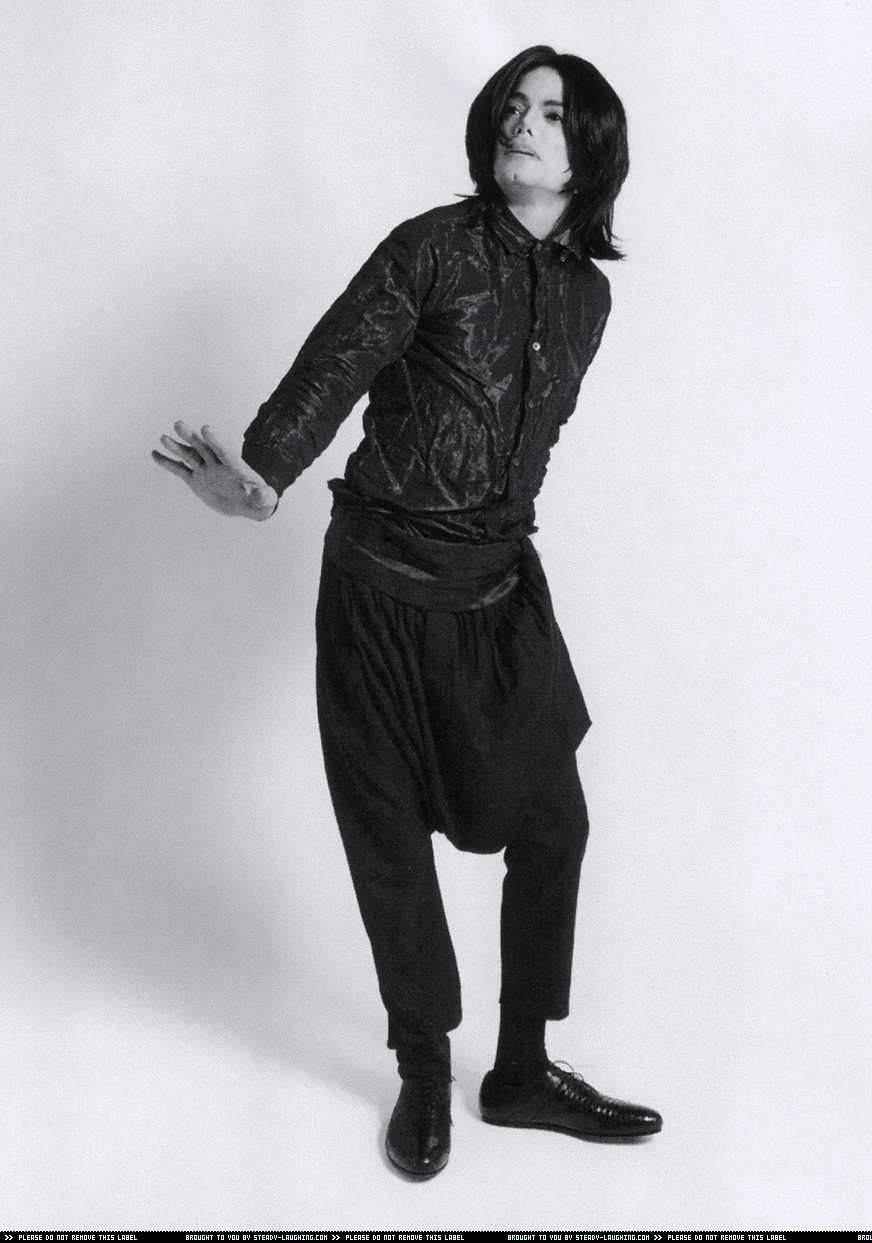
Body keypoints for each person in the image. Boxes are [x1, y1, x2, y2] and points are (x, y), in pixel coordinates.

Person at [152, 45, 662, 1177]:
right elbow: (336, 363)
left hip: (498, 591)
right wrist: (264, 475)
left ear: (591, 151)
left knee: (556, 824)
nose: (522, 124)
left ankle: (520, 1069)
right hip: (378, 588)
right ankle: (424, 1069)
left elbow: (533, 439)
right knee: (386, 838)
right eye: (513, 106)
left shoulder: (589, 297)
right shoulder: (430, 248)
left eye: (552, 114)